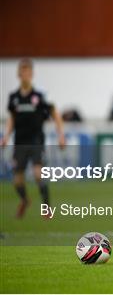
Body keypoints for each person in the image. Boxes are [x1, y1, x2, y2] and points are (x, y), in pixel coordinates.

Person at [0, 58, 65, 219]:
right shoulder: (14, 97)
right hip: (19, 142)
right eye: (23, 72)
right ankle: (24, 200)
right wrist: (6, 136)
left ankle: (46, 208)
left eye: (29, 72)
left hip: (36, 141)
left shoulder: (39, 96)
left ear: (32, 74)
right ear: (19, 74)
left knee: (38, 174)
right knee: (17, 181)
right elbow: (12, 118)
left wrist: (61, 134)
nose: (26, 75)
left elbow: (54, 113)